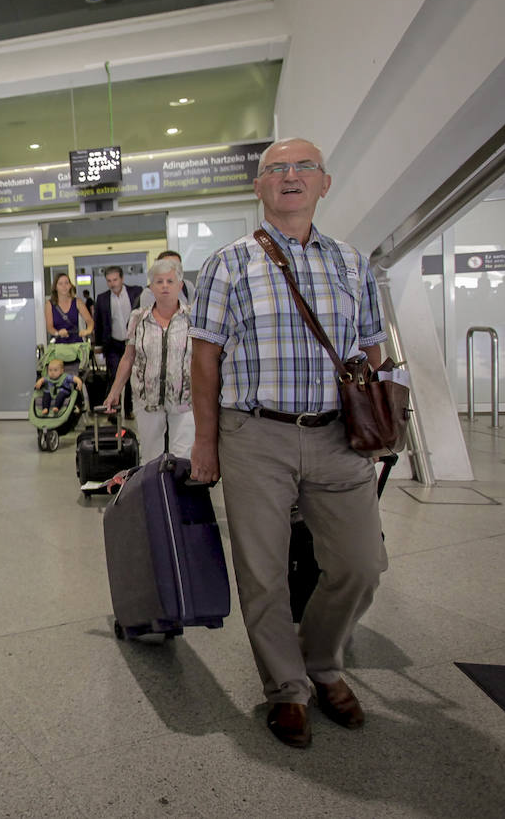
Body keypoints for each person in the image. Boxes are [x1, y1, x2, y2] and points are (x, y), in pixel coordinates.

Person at [188, 138, 389, 749]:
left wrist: (374, 417)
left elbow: (372, 348)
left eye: (303, 167)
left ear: (325, 183)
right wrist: (207, 444)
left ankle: (322, 660)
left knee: (360, 565)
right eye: (276, 169)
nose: (290, 176)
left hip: (336, 438)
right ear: (259, 187)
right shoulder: (228, 263)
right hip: (254, 435)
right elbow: (204, 359)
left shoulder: (354, 264)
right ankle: (289, 689)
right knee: (264, 574)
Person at [102, 257, 194, 461]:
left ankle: (177, 493)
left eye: (170, 281)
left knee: (184, 457)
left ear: (180, 285)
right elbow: (128, 357)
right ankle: (155, 492)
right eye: (159, 282)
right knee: (151, 458)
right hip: (147, 398)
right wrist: (115, 391)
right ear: (151, 287)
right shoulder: (138, 318)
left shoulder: (193, 317)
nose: (164, 287)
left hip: (185, 398)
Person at [93, 265, 142, 416]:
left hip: (133, 342)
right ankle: (112, 410)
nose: (112, 283)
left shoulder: (136, 292)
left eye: (115, 279)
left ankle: (128, 410)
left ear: (122, 279)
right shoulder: (102, 298)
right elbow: (99, 323)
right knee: (114, 375)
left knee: (130, 376)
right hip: (113, 343)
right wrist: (99, 345)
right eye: (109, 281)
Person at [45, 272, 94, 343]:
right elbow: (49, 327)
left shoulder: (78, 302)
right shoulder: (49, 304)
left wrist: (87, 331)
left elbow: (89, 321)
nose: (64, 286)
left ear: (70, 285)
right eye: (60, 284)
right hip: (58, 344)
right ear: (55, 287)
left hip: (76, 344)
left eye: (66, 283)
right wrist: (58, 333)